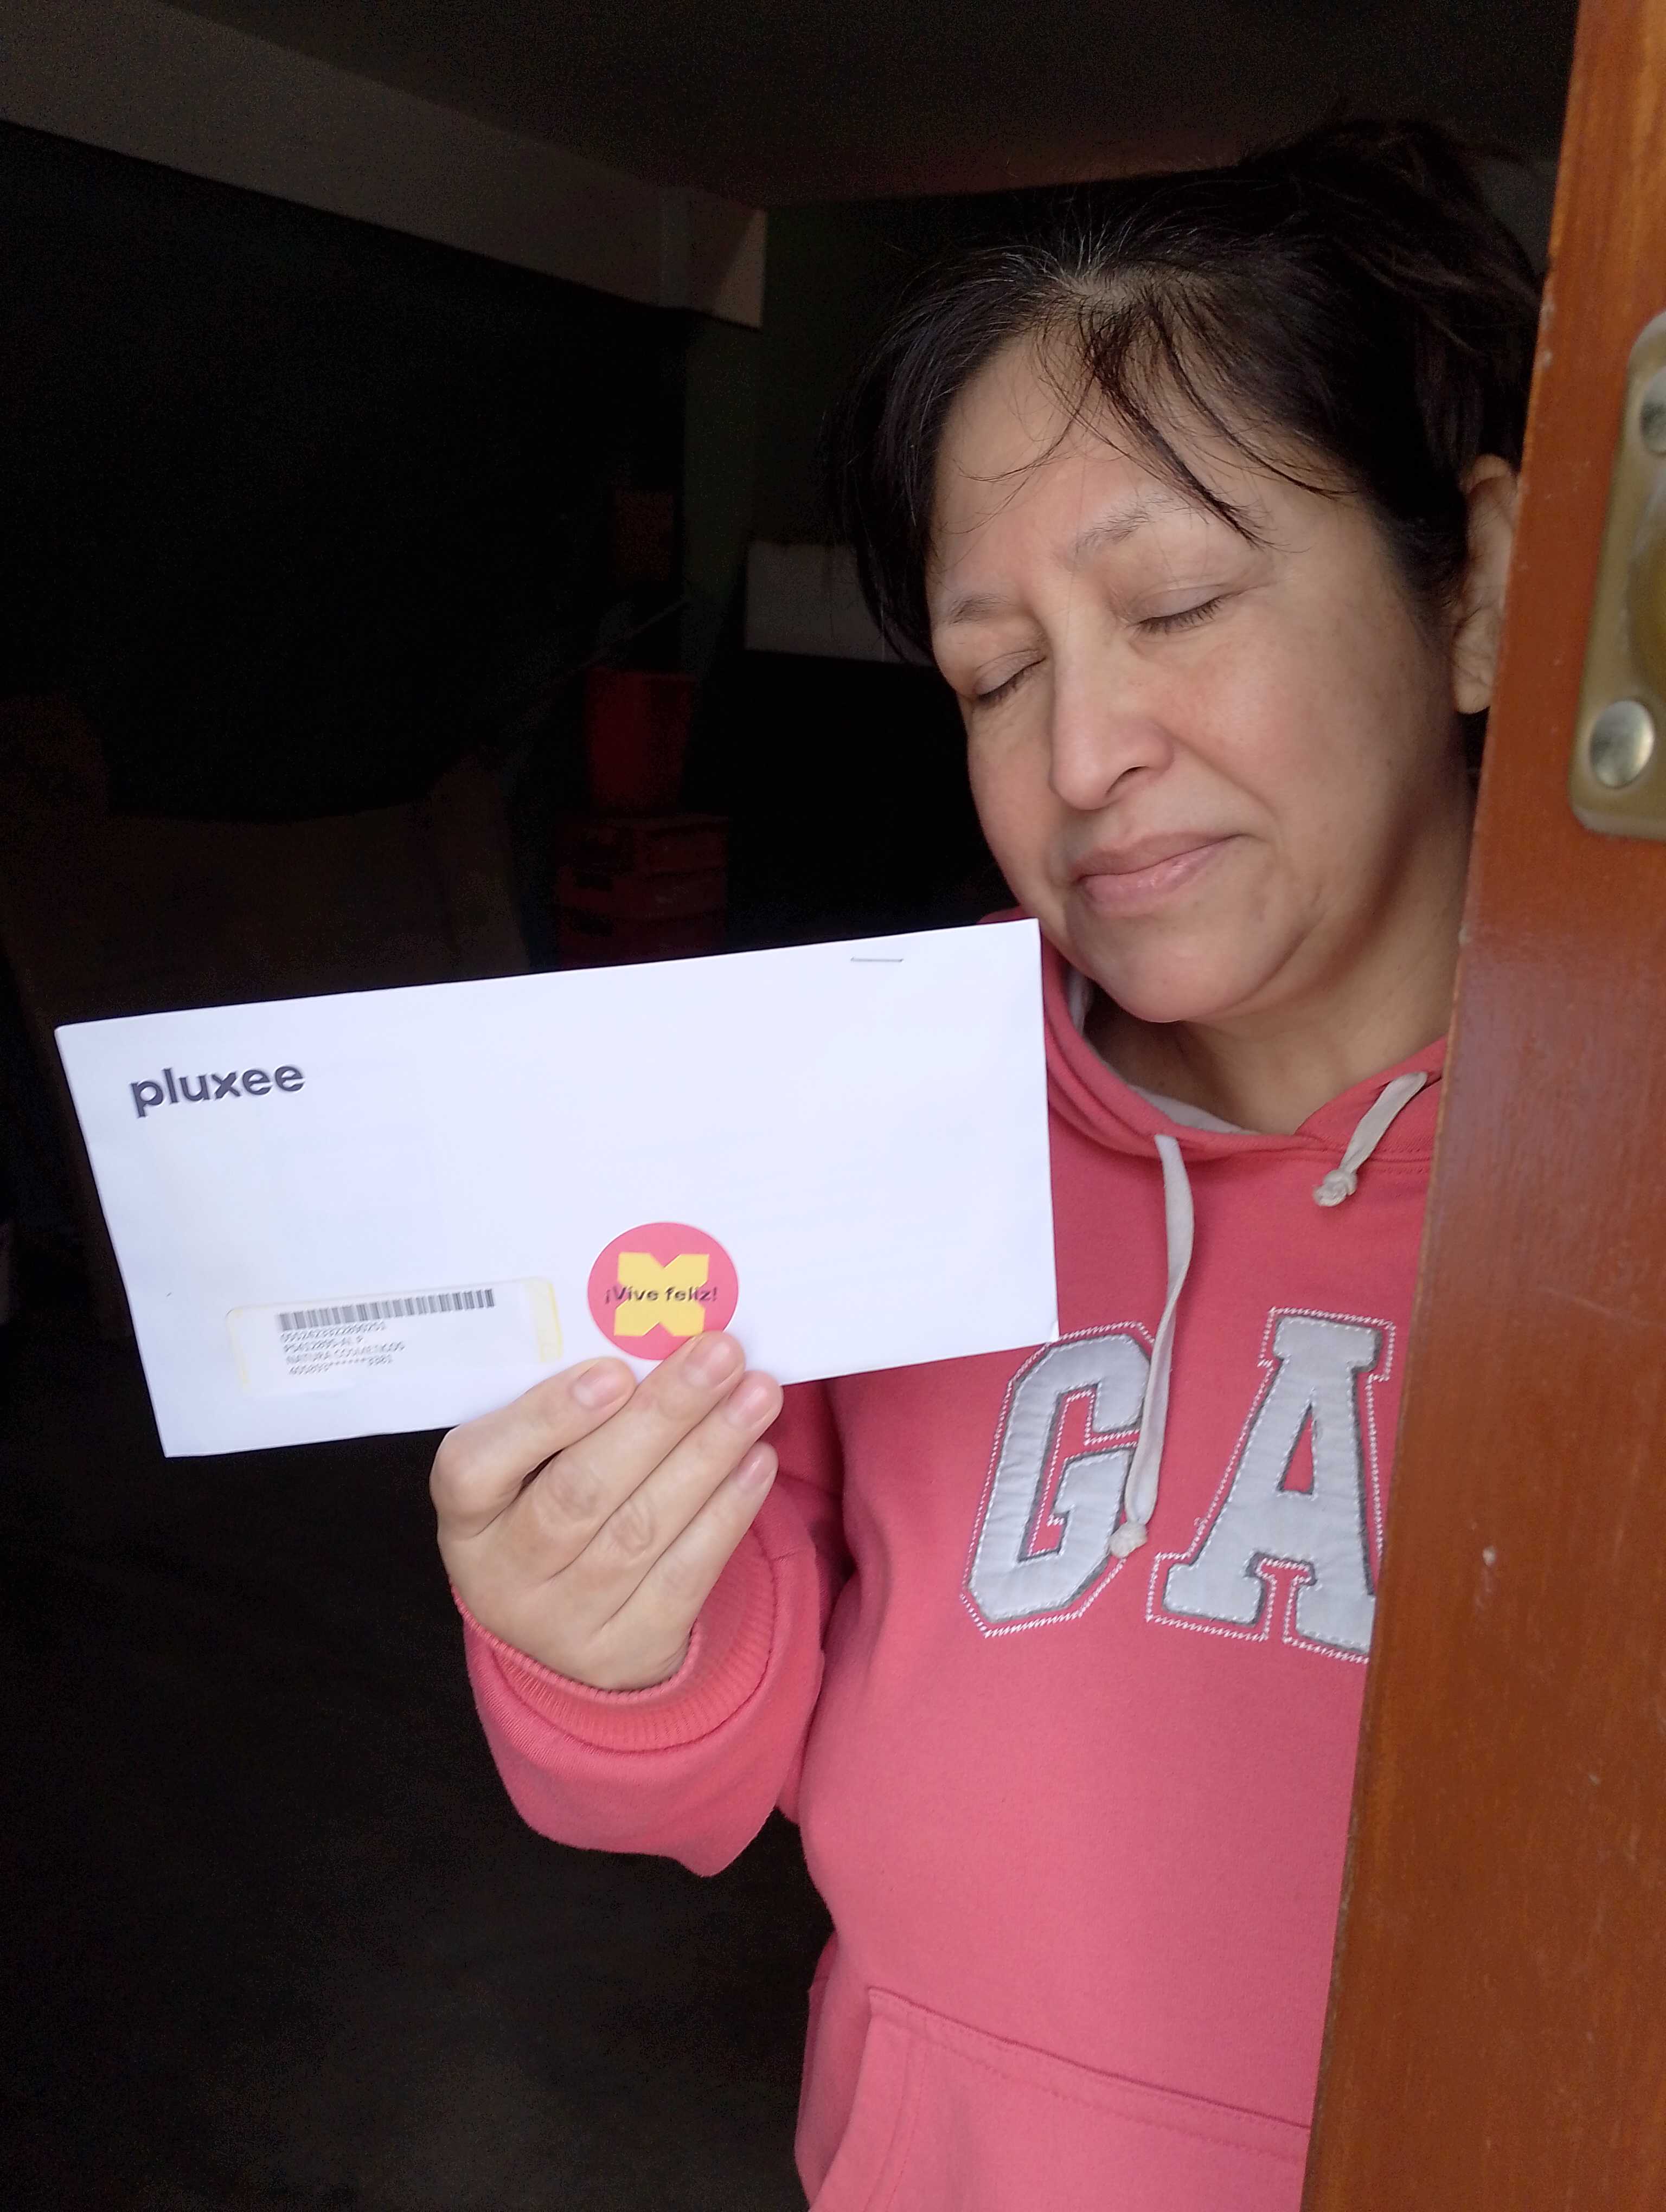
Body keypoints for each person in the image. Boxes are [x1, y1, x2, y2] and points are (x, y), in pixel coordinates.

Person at [432, 120, 1539, 2210]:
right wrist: (598, 1637)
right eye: (993, 675)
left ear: (1473, 588)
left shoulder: (1612, 1192)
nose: (1082, 757)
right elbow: (705, 1756)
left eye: (1177, 602)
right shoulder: (868, 1136)